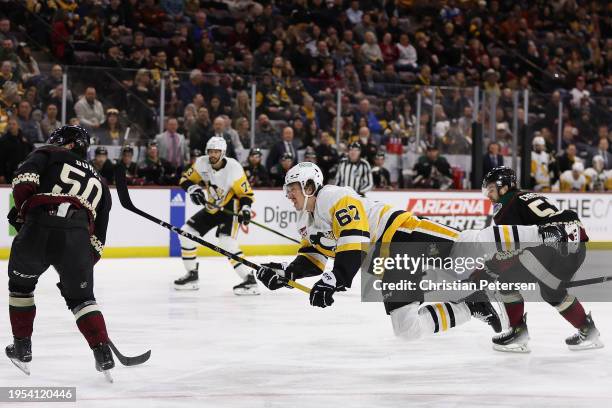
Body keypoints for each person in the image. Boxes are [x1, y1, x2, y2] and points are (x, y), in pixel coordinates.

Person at [255, 162, 502, 343]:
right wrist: (286, 273)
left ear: (310, 186)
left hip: (405, 236)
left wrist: (335, 279)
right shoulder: (306, 223)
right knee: (407, 329)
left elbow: (355, 239)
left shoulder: (333, 197)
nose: (288, 195)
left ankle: (532, 237)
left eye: (292, 188)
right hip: (390, 265)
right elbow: (313, 260)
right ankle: (472, 307)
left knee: (474, 249)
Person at [5, 125, 115, 379]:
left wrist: (24, 213)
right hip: (77, 240)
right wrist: (81, 269)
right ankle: (103, 353)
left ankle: (22, 347)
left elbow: (23, 182)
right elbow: (98, 239)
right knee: (82, 299)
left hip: (39, 227)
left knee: (21, 288)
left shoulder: (49, 153)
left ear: (65, 143)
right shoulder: (101, 183)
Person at [482, 167, 602, 352]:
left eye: (491, 189)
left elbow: (514, 247)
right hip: (575, 247)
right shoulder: (527, 196)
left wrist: (493, 265)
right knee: (552, 293)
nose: (488, 194)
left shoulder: (506, 206)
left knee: (506, 282)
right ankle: (589, 331)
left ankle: (518, 333)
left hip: (551, 251)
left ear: (504, 187)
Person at [174, 136, 257, 295]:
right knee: (186, 233)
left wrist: (245, 209)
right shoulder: (201, 162)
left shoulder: (234, 167)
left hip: (231, 207)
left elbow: (245, 194)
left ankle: (249, 280)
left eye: (216, 152)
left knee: (226, 242)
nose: (212, 154)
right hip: (212, 207)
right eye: (210, 151)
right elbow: (185, 179)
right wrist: (193, 190)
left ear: (223, 152)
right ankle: (192, 275)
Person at [0, 117, 33, 184]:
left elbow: (31, 152)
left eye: (13, 124)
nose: (11, 126)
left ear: (18, 126)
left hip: (23, 172)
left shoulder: (24, 138)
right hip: (9, 172)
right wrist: (1, 174)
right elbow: (1, 159)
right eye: (9, 124)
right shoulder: (3, 140)